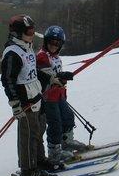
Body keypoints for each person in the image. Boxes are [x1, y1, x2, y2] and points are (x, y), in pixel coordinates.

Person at [0, 15, 63, 176]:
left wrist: (51, 79)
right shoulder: (12, 53)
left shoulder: (27, 48)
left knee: (37, 132)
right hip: (24, 102)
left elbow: (34, 71)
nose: (32, 34)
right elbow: (8, 80)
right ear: (18, 33)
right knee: (28, 137)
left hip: (36, 98)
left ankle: (39, 161)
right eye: (29, 31)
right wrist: (15, 104)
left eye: (34, 30)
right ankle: (28, 171)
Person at [37, 25, 88, 165]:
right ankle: (54, 152)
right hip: (49, 98)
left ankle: (67, 142)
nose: (54, 45)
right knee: (55, 124)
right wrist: (60, 76)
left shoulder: (56, 57)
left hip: (59, 95)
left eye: (57, 43)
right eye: (51, 42)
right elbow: (46, 76)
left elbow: (57, 76)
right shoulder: (42, 56)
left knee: (68, 117)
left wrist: (63, 78)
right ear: (46, 41)